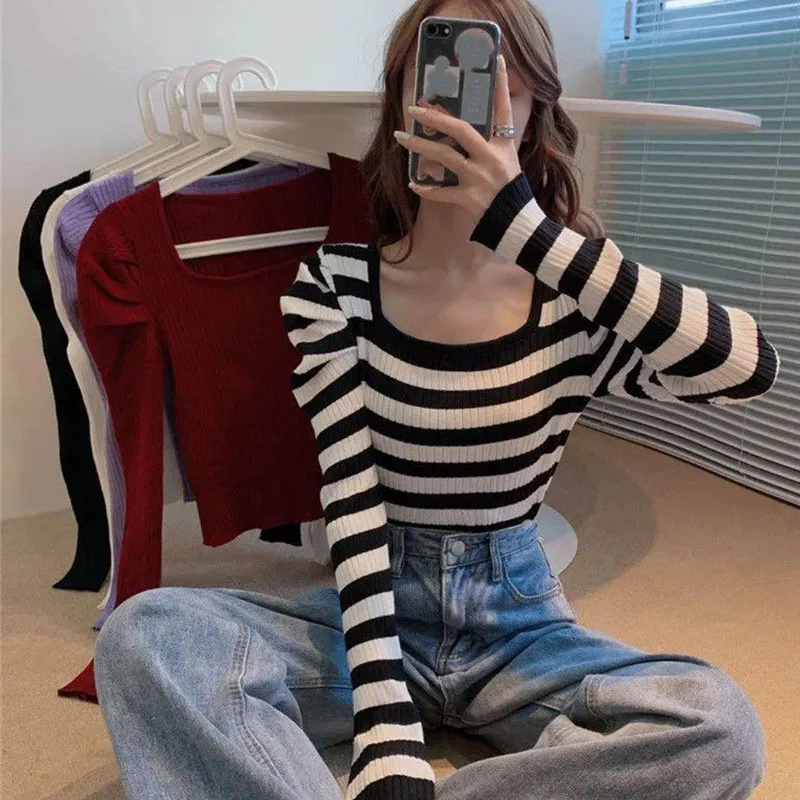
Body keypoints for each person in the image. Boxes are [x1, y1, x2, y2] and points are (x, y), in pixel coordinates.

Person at [93, 1, 778, 799]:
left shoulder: (575, 291)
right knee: (147, 636)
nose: (464, 111)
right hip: (370, 611)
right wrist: (385, 727)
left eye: (497, 85)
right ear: (402, 106)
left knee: (718, 726)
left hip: (518, 629)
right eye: (438, 81)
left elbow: (745, 369)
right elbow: (350, 495)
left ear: (534, 109)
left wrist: (530, 233)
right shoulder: (335, 286)